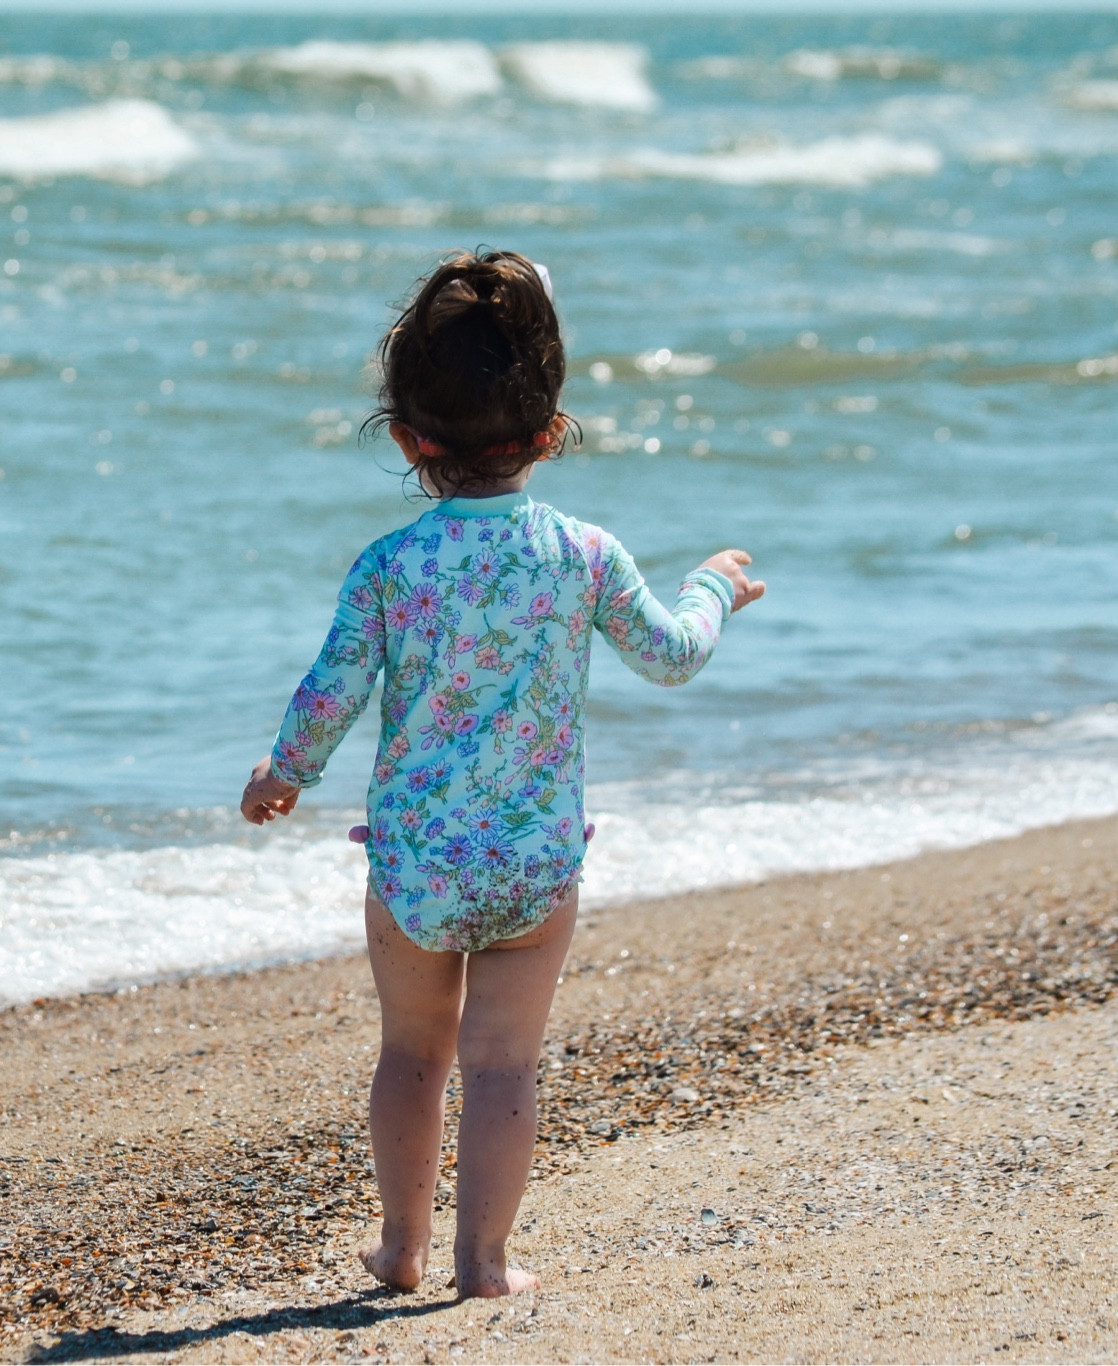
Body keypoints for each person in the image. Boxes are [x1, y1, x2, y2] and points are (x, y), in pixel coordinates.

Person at [239, 251, 764, 1298]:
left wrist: (282, 770)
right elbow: (671, 656)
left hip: (415, 869)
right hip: (533, 865)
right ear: (551, 430)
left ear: (406, 438)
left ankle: (400, 1248)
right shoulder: (584, 553)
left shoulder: (389, 565)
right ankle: (482, 1263)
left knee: (411, 1054)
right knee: (501, 1065)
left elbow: (331, 691)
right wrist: (711, 587)